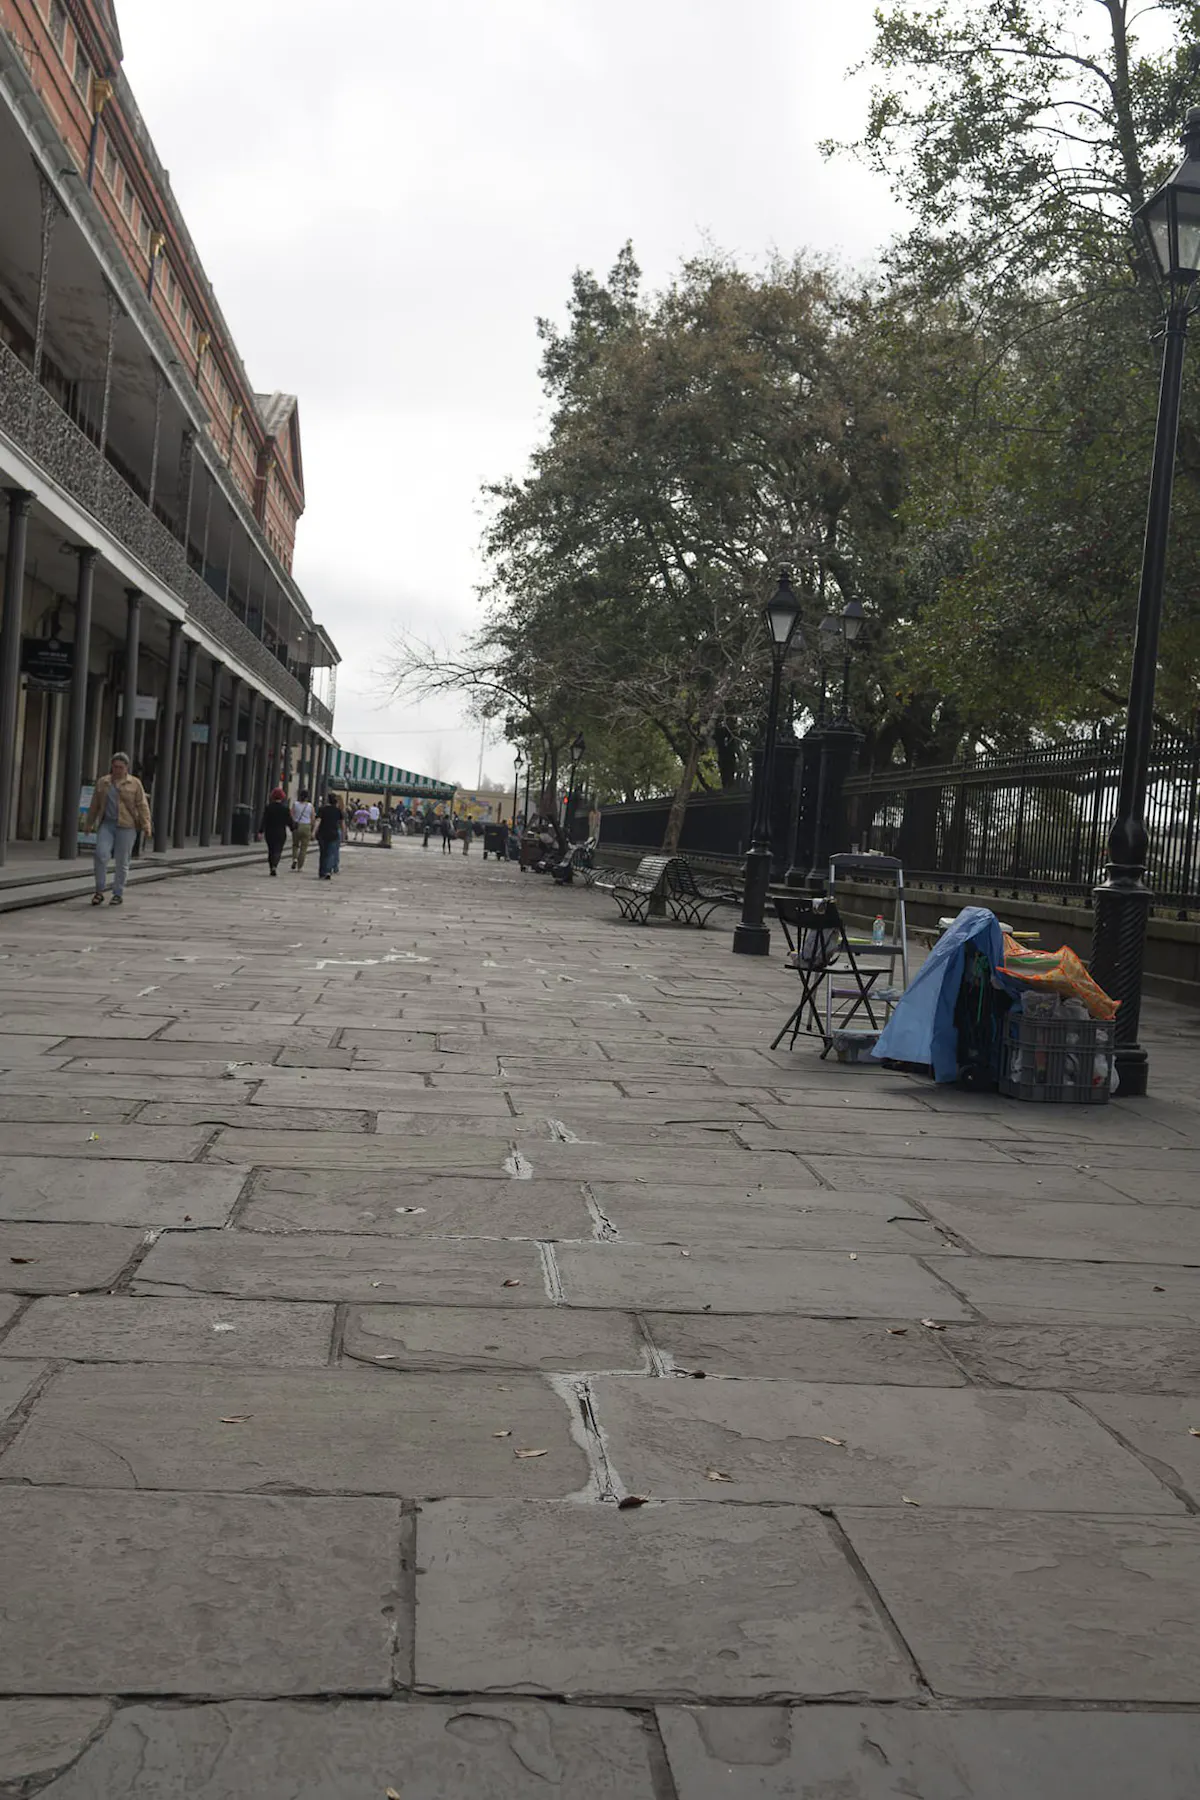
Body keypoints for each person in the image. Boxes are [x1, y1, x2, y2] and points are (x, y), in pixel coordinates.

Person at [86, 752, 152, 907]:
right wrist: (89, 823)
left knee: (122, 861)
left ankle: (118, 893)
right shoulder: (104, 782)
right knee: (101, 854)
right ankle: (99, 890)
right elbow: (95, 804)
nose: (117, 770)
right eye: (115, 767)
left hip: (127, 826)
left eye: (120, 767)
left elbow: (142, 805)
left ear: (126, 768)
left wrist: (146, 825)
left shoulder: (134, 783)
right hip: (107, 824)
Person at [259, 786, 292, 876]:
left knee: (271, 849)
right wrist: (293, 828)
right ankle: (275, 865)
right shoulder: (285, 809)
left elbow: (264, 820)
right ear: (282, 797)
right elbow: (289, 821)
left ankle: (271, 866)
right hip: (280, 832)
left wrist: (261, 831)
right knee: (278, 849)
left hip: (270, 832)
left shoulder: (269, 807)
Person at [316, 792, 344, 879]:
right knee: (330, 853)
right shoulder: (338, 811)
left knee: (323, 853)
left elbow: (318, 821)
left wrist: (314, 832)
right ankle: (328, 871)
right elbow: (342, 824)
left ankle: (322, 872)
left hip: (322, 833)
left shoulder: (322, 809)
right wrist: (344, 834)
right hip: (333, 833)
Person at [290, 789, 314, 870]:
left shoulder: (295, 804)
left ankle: (295, 859)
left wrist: (293, 823)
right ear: (307, 797)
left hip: (297, 825)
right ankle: (300, 866)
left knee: (295, 845)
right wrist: (312, 828)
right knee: (304, 848)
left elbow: (291, 815)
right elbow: (313, 818)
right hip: (306, 826)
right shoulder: (310, 806)